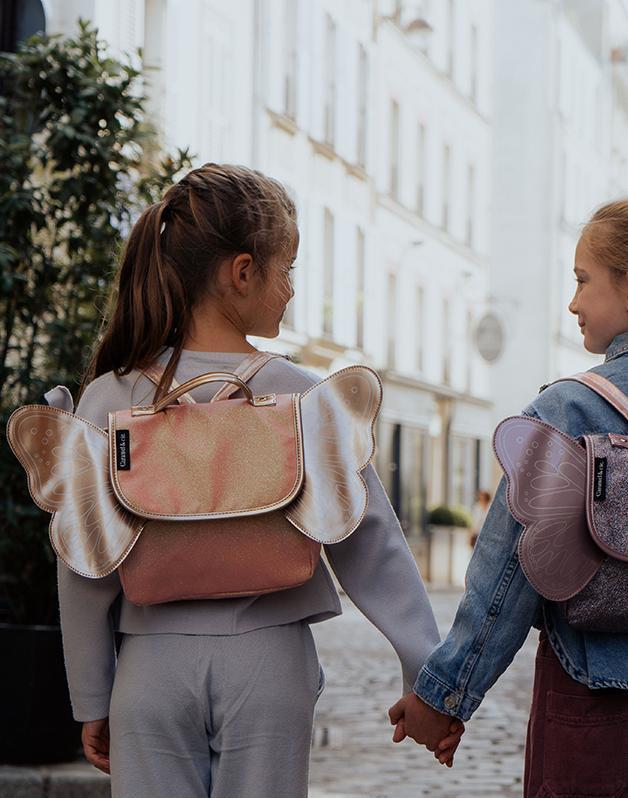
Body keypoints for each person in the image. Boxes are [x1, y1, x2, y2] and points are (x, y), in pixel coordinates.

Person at [57, 164, 461, 798]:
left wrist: (91, 693)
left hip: (149, 667)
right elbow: (370, 540)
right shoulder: (301, 396)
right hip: (269, 662)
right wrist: (424, 672)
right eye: (287, 269)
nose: (292, 288)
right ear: (242, 273)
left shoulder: (111, 395)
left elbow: (84, 559)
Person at [389, 199, 628, 797]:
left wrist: (445, 696)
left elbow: (508, 576)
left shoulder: (570, 411)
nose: (572, 302)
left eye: (582, 280)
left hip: (594, 698)